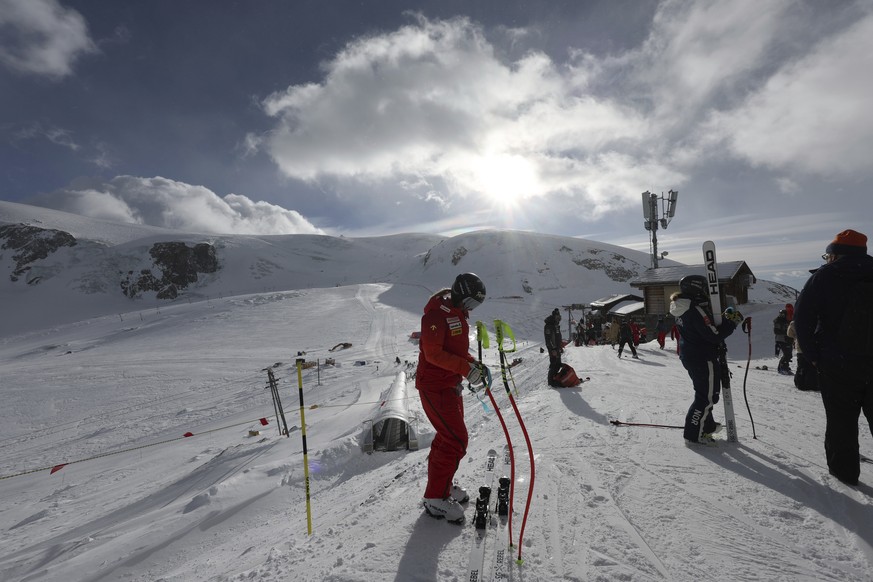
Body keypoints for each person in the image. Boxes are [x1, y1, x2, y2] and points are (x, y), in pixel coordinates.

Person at [794, 229, 873, 486]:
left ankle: (845, 474)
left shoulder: (824, 276)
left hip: (838, 364)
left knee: (841, 422)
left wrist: (814, 356)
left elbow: (803, 318)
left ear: (835, 254)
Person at [416, 273, 490, 522]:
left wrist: (473, 363)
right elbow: (433, 354)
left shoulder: (457, 313)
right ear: (460, 293)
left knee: (449, 438)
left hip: (450, 385)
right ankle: (435, 498)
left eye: (474, 306)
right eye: (469, 303)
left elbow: (455, 350)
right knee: (456, 439)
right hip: (435, 387)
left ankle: (441, 488)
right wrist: (466, 369)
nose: (470, 309)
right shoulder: (436, 315)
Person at [670, 274, 741, 445]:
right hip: (702, 357)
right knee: (706, 398)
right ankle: (694, 434)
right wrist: (731, 323)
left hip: (692, 355)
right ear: (696, 289)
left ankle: (706, 426)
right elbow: (713, 335)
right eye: (703, 288)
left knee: (706, 394)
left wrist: (722, 319)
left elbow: (703, 328)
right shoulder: (695, 309)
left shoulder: (682, 306)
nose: (706, 292)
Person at [544, 308, 563, 386]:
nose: (559, 319)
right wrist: (553, 349)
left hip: (557, 348)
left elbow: (557, 337)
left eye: (559, 317)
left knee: (558, 364)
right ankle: (551, 382)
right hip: (553, 348)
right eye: (557, 317)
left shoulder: (556, 325)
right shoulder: (549, 325)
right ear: (554, 316)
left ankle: (555, 379)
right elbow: (548, 339)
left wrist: (560, 347)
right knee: (553, 363)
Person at [773, 309, 793, 374]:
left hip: (787, 339)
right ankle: (783, 368)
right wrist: (786, 332)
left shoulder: (787, 321)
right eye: (781, 314)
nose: (782, 315)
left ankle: (784, 366)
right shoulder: (778, 321)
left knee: (788, 354)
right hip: (781, 340)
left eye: (783, 314)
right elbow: (776, 331)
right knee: (787, 354)